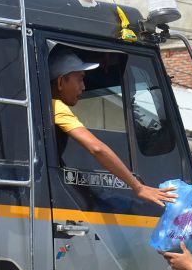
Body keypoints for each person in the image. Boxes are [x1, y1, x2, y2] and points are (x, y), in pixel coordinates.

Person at [49, 48, 176, 207]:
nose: (83, 86)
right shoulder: (55, 106)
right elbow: (97, 148)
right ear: (61, 82)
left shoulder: (47, 107)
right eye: (80, 79)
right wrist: (138, 187)